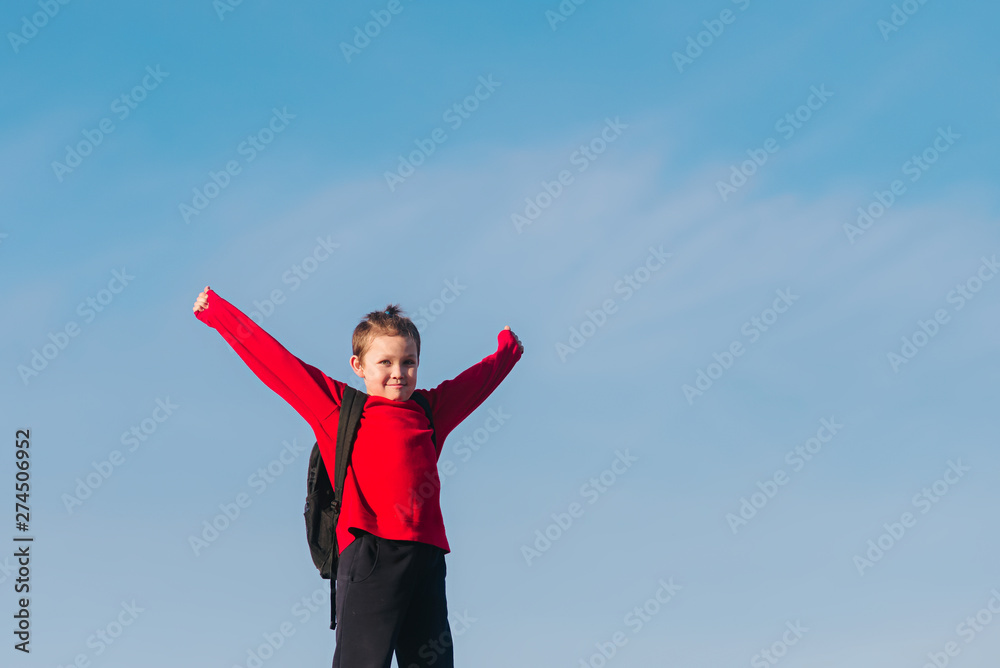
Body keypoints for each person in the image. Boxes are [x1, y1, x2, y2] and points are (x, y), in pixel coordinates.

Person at [192, 285, 523, 668]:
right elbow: (277, 362)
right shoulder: (338, 409)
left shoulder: (431, 410)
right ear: (358, 366)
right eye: (385, 362)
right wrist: (218, 313)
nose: (398, 373)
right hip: (370, 554)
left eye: (409, 362)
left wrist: (508, 350)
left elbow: (478, 381)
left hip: (428, 557)